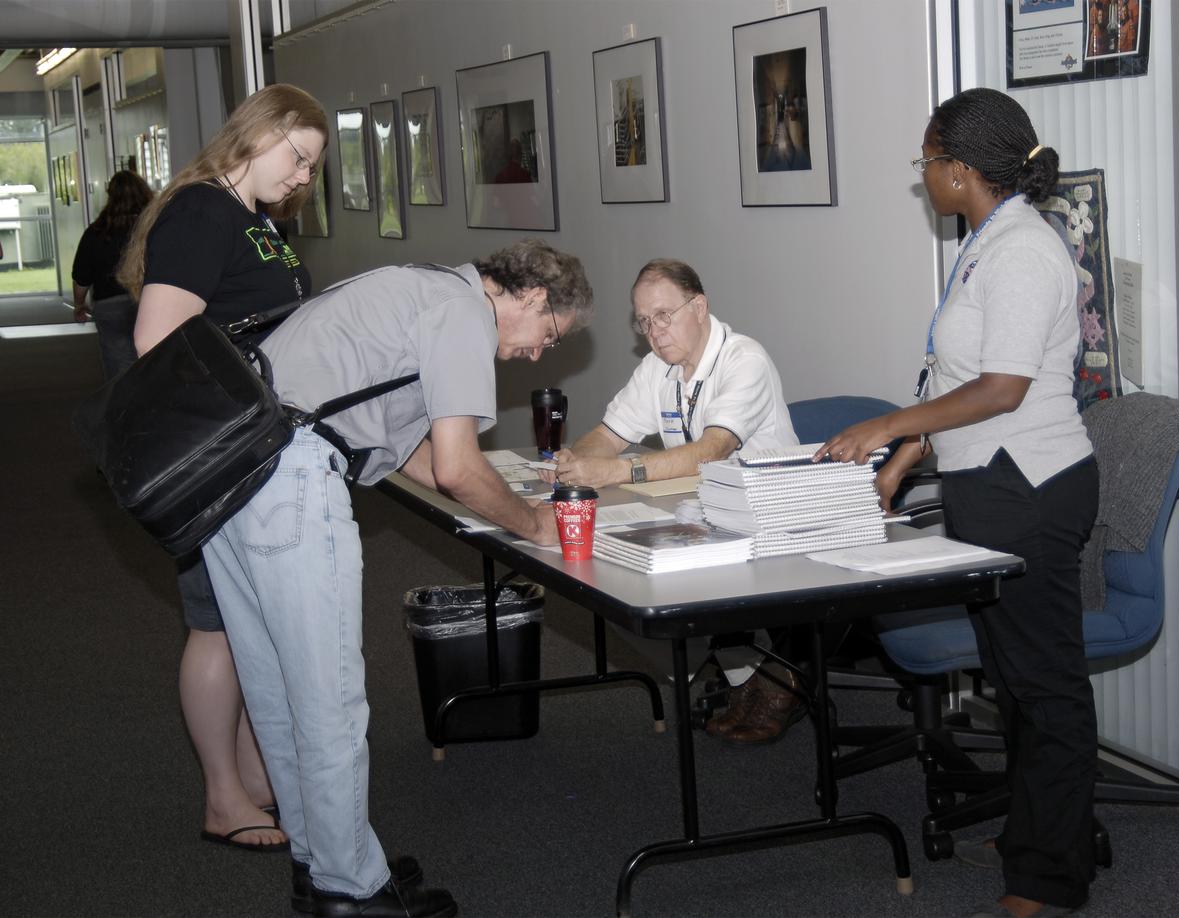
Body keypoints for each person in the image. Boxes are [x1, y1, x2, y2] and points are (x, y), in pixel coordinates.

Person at [198, 240, 592, 917]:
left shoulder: (423, 286)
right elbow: (456, 468)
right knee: (329, 697)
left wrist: (490, 503)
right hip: (289, 477)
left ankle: (320, 858)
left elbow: (412, 450)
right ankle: (348, 889)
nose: (536, 354)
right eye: (547, 335)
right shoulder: (463, 312)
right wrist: (530, 523)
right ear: (531, 297)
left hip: (233, 469)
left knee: (277, 684)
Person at [818, 88, 1099, 918]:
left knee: (1046, 688)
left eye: (927, 161)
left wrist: (887, 425)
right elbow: (957, 386)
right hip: (993, 485)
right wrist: (902, 460)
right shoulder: (988, 242)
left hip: (1032, 488)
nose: (924, 177)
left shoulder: (1021, 251)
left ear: (961, 169)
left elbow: (1002, 388)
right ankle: (1041, 841)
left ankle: (1050, 880)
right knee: (1014, 682)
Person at [117, 83, 329, 859]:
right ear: (256, 135)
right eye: (298, 157)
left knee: (244, 623)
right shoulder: (206, 211)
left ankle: (248, 769)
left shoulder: (250, 218)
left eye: (312, 167)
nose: (304, 177)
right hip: (216, 452)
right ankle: (221, 794)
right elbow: (158, 338)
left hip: (248, 445)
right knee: (216, 623)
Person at [542, 259, 806, 744]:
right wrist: (572, 461)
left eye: (664, 315)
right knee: (601, 570)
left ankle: (760, 674)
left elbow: (712, 450)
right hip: (703, 514)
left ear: (699, 307)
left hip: (767, 514)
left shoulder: (743, 359)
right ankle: (750, 673)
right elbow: (610, 434)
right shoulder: (659, 367)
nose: (655, 332)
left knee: (645, 576)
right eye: (644, 322)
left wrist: (617, 471)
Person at [71, 170, 152, 378]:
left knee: (118, 368)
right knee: (154, 360)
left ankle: (124, 406)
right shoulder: (154, 227)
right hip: (149, 300)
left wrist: (79, 304)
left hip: (110, 305)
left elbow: (81, 276)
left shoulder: (96, 232)